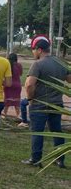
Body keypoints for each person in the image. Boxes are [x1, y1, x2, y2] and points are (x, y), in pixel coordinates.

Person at [22, 36, 70, 168]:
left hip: (40, 104)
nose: (33, 52)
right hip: (57, 104)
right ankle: (60, 159)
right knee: (57, 131)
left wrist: (30, 99)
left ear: (39, 49)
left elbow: (29, 84)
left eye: (33, 50)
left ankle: (35, 159)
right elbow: (69, 79)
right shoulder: (60, 63)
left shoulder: (38, 64)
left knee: (38, 131)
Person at [3, 53, 22, 118]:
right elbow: (21, 74)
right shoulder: (19, 65)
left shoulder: (7, 65)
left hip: (8, 84)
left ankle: (4, 115)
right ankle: (18, 115)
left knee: (7, 101)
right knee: (16, 102)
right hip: (17, 85)